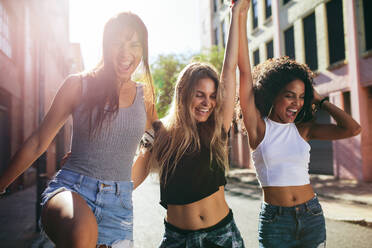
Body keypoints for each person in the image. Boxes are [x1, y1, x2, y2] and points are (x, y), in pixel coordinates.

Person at [0, 12, 156, 247]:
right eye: (118, 43)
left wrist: (117, 188)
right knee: (82, 233)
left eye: (134, 44)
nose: (126, 53)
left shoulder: (145, 97)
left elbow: (152, 147)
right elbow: (38, 141)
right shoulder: (78, 85)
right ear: (105, 45)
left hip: (119, 209)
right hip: (71, 189)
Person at [237, 10, 362, 248]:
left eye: (302, 97)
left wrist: (320, 100)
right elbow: (244, 72)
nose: (297, 102)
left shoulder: (303, 129)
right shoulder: (259, 128)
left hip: (311, 215)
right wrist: (240, 18)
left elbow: (353, 129)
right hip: (276, 221)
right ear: (273, 96)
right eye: (289, 96)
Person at [131, 1, 249, 247]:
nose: (207, 102)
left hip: (221, 235)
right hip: (177, 239)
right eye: (199, 94)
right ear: (183, 93)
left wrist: (235, 13)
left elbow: (229, 72)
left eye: (212, 96)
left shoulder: (216, 129)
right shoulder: (160, 132)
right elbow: (130, 181)